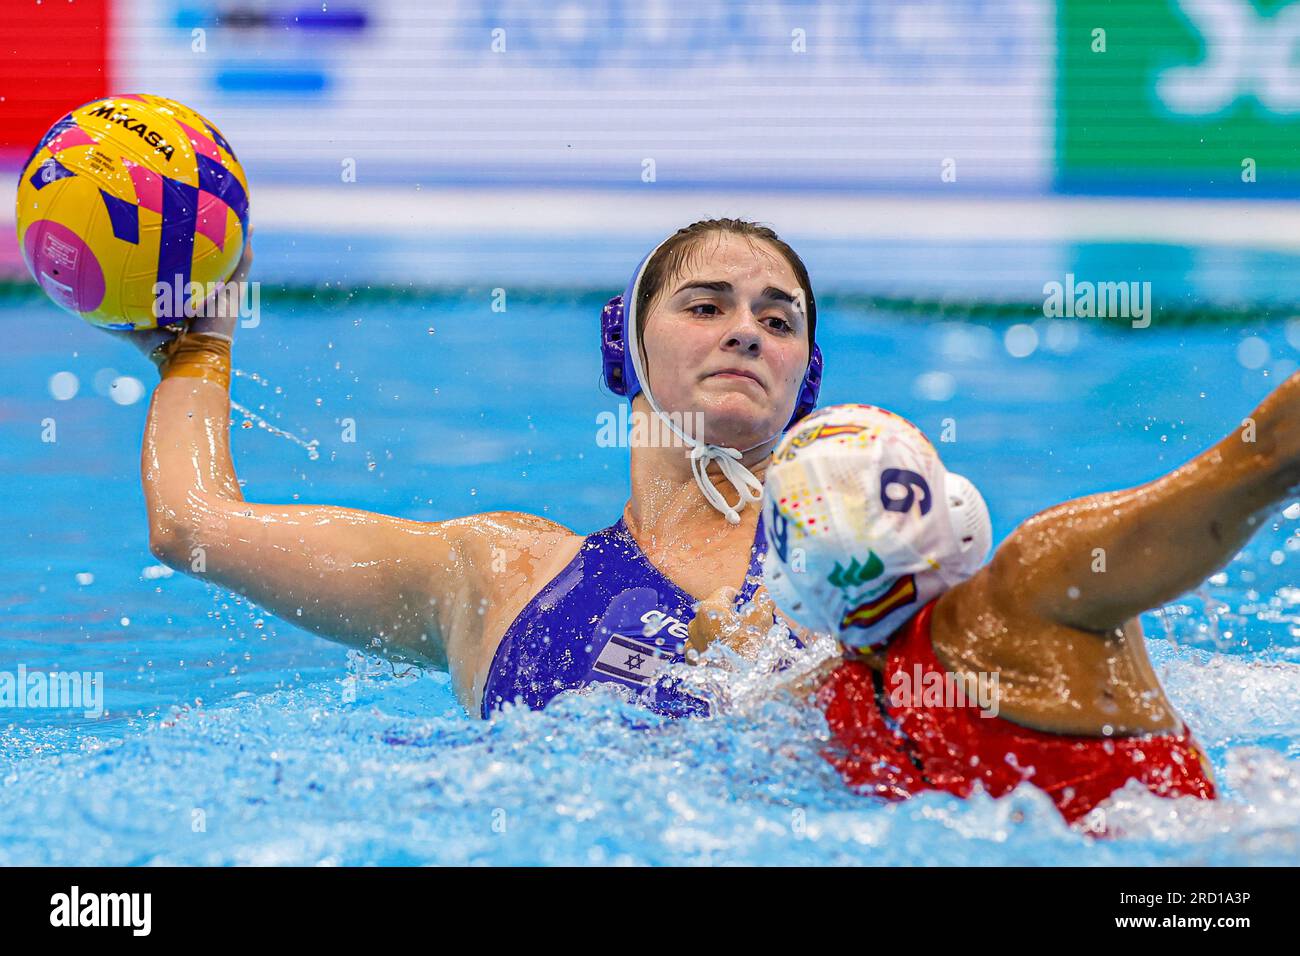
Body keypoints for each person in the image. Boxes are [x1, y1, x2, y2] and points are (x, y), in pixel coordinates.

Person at [109, 218, 823, 718]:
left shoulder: (864, 567)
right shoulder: (497, 576)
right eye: (705, 306)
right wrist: (198, 348)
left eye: (778, 322)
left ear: (806, 381)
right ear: (623, 349)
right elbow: (191, 526)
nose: (744, 333)